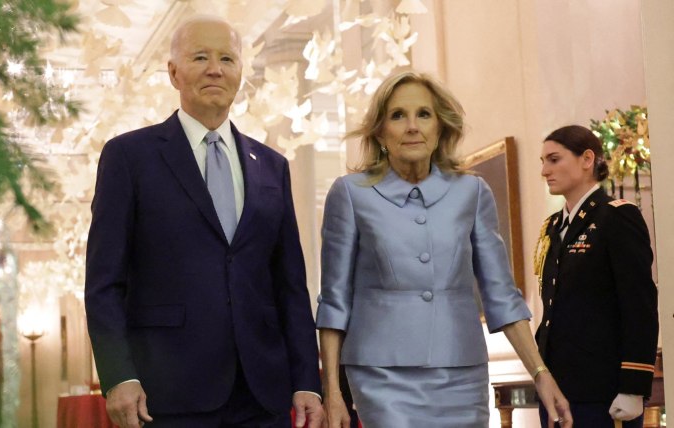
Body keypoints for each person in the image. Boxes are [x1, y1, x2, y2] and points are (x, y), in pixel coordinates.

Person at [85, 15, 323, 428]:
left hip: (262, 394)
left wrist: (307, 381)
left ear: (240, 72)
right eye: (200, 57)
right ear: (173, 73)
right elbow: (104, 283)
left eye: (227, 59)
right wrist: (118, 374)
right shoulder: (130, 157)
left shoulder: (272, 166)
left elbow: (290, 286)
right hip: (167, 392)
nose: (215, 69)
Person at [316, 70, 573, 428]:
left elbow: (501, 294)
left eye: (424, 114)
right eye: (397, 115)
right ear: (380, 132)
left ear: (440, 127)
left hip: (461, 372)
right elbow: (334, 300)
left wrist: (540, 373)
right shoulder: (350, 194)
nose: (412, 127)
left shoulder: (472, 192)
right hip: (382, 374)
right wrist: (332, 391)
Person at [534, 125, 658, 427]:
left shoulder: (616, 216)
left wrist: (633, 386)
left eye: (554, 159)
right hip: (557, 387)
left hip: (602, 390)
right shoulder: (553, 226)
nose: (545, 171)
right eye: (543, 161)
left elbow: (639, 305)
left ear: (587, 159)